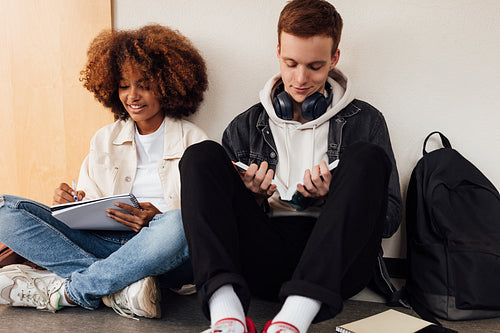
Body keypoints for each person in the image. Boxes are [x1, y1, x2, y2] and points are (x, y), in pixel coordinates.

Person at [179, 1, 402, 332]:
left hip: (337, 269)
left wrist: (334, 197)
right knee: (199, 155)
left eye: (315, 66)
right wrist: (253, 197)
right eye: (290, 63)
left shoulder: (365, 121)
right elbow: (221, 218)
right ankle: (227, 317)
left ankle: (294, 317)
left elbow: (389, 220)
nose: (300, 79)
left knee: (366, 155)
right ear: (278, 51)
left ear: (334, 59)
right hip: (263, 259)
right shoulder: (245, 125)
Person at [0, 24, 208, 319]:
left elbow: (204, 223)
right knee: (4, 210)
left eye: (144, 84)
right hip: (106, 243)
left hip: (164, 251)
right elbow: (90, 207)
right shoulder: (104, 139)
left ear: (167, 84)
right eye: (124, 85)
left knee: (177, 224)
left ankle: (73, 291)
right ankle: (123, 288)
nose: (132, 96)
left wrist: (157, 217)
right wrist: (71, 203)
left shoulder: (196, 142)